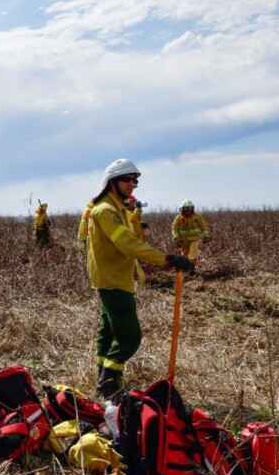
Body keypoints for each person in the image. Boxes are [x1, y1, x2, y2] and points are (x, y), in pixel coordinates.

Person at [87, 159, 192, 399]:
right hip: (113, 280)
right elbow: (127, 243)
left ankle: (105, 377)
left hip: (113, 278)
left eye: (135, 180)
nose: (132, 184)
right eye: (127, 179)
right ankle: (109, 384)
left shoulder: (117, 208)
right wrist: (167, 260)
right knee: (129, 337)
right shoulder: (106, 210)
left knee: (110, 332)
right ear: (112, 182)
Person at [172, 199, 210, 276]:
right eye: (185, 209)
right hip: (183, 241)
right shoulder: (178, 218)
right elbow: (174, 228)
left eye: (189, 209)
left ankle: (191, 269)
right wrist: (176, 237)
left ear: (192, 209)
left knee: (193, 255)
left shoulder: (197, 217)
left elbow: (203, 226)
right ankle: (185, 269)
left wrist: (206, 235)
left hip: (194, 239)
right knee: (184, 256)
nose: (187, 211)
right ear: (182, 209)